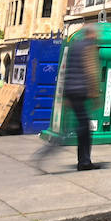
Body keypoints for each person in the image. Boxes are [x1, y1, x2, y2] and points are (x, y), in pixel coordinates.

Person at [34, 24, 101, 171]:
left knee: (77, 127)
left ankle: (82, 160)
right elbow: (91, 69)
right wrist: (95, 94)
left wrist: (65, 94)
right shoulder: (89, 47)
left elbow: (67, 69)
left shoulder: (74, 46)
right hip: (81, 90)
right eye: (96, 35)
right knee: (83, 129)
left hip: (71, 90)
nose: (97, 37)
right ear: (92, 35)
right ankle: (84, 161)